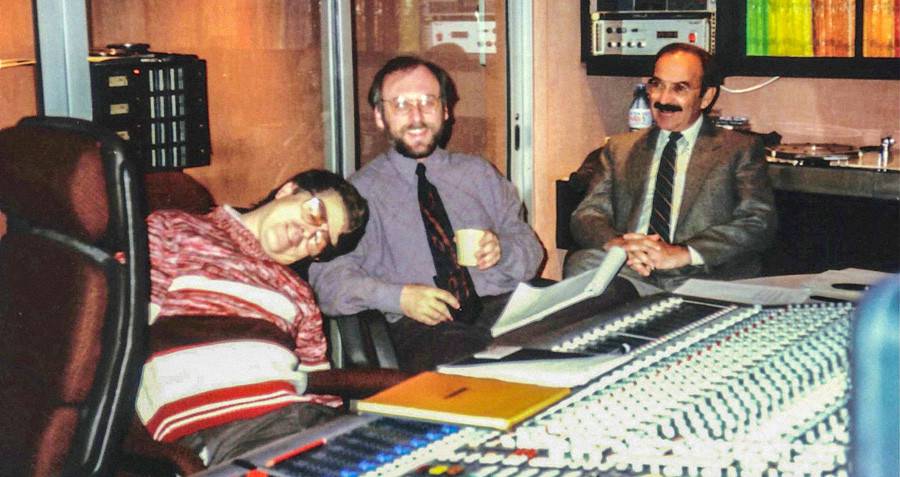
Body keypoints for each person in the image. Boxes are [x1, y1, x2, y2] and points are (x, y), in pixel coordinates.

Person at [309, 56, 544, 373]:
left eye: (427, 102)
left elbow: (530, 248)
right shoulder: (356, 194)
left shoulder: (480, 174)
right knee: (480, 366)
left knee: (596, 317)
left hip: (503, 309)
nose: (416, 117)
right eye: (401, 104)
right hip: (425, 327)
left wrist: (504, 250)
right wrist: (399, 297)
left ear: (445, 111)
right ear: (380, 116)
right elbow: (328, 281)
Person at [136, 169, 371, 466]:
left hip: (298, 420)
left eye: (321, 241)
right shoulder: (176, 229)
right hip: (222, 427)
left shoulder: (298, 292)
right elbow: (119, 330)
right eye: (315, 213)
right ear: (288, 190)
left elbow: (321, 389)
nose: (308, 233)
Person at [565, 43, 776, 293]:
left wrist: (683, 253)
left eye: (680, 88)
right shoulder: (620, 148)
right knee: (582, 264)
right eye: (657, 85)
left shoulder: (739, 149)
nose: (663, 99)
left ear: (706, 96)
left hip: (702, 276)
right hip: (636, 270)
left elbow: (758, 221)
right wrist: (620, 245)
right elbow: (587, 214)